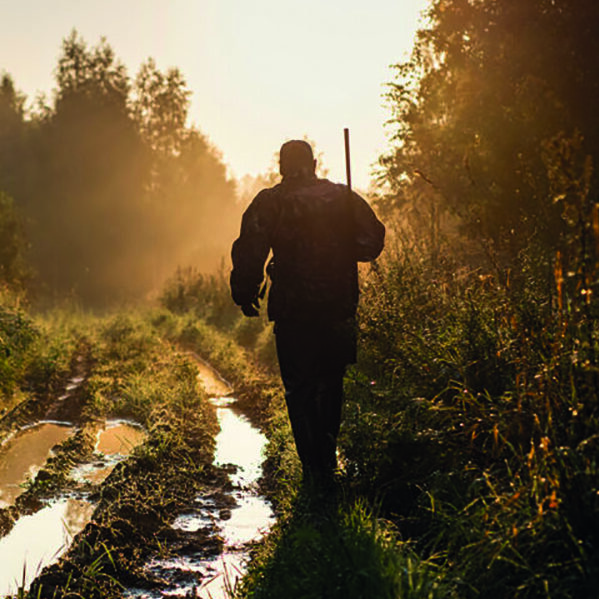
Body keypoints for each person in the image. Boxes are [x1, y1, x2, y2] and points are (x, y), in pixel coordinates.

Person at [230, 139, 385, 484]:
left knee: (299, 387)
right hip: (338, 305)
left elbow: (251, 248)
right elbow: (371, 242)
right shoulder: (343, 198)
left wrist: (245, 291)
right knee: (331, 383)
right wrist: (343, 241)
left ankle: (313, 469)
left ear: (282, 166)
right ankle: (327, 461)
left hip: (294, 309)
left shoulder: (272, 201)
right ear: (314, 163)